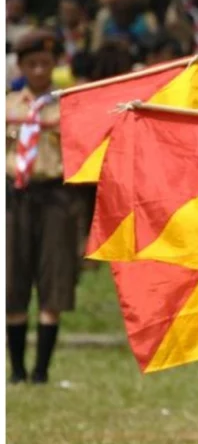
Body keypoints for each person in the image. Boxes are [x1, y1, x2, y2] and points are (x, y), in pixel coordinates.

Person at [6, 30, 79, 385]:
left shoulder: (67, 106)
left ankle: (41, 371)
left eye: (46, 63)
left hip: (54, 196)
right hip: (13, 197)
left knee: (54, 278)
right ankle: (17, 370)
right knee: (12, 279)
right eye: (32, 63)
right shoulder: (7, 107)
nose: (39, 70)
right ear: (20, 66)